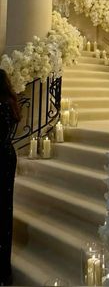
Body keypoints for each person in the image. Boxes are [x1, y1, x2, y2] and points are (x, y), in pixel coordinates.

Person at [0, 69, 21, 286]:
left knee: (2, 212)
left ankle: (3, 269)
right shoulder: (10, 103)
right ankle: (3, 269)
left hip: (1, 157)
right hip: (7, 155)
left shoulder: (1, 106)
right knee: (4, 210)